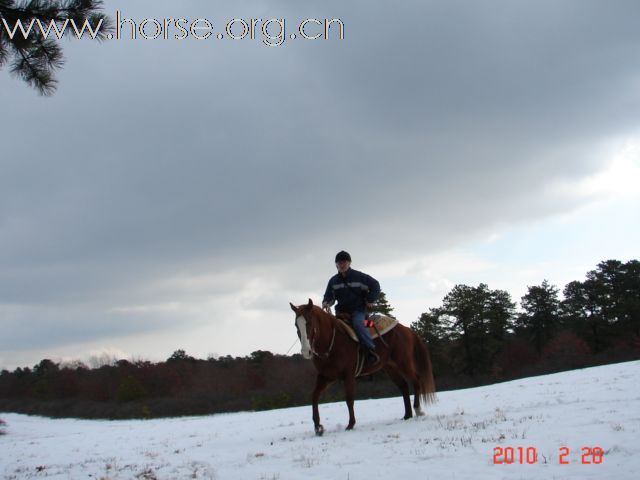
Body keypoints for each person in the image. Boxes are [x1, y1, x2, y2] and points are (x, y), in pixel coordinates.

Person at [322, 251, 381, 366]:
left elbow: (375, 285)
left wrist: (370, 299)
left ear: (349, 263)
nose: (342, 265)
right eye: (339, 263)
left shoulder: (359, 277)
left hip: (358, 311)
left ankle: (370, 350)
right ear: (336, 265)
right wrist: (326, 302)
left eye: (344, 262)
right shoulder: (333, 281)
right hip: (341, 313)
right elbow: (329, 296)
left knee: (358, 324)